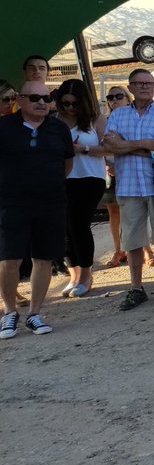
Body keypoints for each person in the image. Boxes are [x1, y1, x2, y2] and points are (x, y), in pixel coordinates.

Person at [0, 82, 73, 338]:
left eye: (47, 97)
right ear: (20, 99)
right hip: (11, 203)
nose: (42, 102)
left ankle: (35, 313)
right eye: (35, 97)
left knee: (43, 258)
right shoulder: (4, 127)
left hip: (51, 203)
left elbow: (67, 163)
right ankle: (9, 312)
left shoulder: (59, 128)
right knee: (10, 259)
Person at [103, 69, 154, 310]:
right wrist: (145, 144)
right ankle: (136, 288)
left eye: (149, 83)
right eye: (140, 83)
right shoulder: (117, 115)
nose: (146, 87)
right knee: (132, 241)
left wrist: (125, 146)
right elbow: (109, 144)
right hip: (129, 185)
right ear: (131, 87)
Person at [54, 80, 110, 297]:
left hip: (89, 177)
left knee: (79, 224)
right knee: (64, 227)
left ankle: (86, 274)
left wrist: (82, 148)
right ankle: (74, 274)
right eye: (65, 103)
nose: (70, 108)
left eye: (74, 103)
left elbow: (107, 148)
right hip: (63, 178)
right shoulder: (55, 121)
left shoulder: (96, 119)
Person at [100, 84, 130, 269]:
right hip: (111, 170)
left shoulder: (135, 118)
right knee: (114, 212)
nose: (114, 100)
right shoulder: (104, 121)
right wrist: (107, 164)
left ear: (128, 98)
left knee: (137, 212)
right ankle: (119, 250)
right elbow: (98, 145)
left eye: (119, 96)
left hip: (131, 170)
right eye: (110, 98)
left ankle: (145, 248)